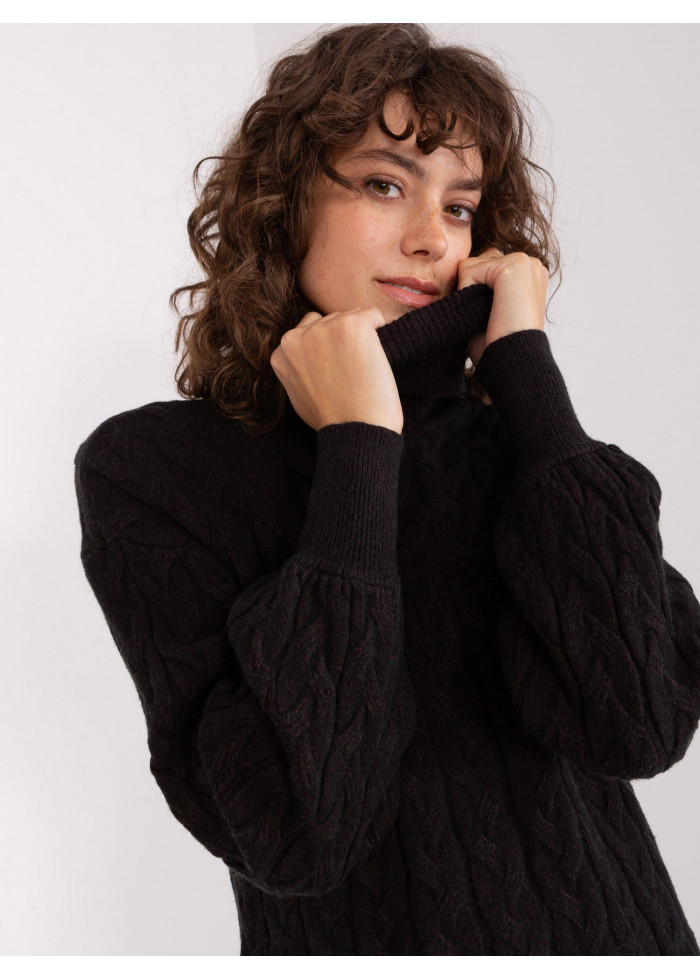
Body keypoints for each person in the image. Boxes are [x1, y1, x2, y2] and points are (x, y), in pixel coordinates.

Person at [74, 23, 700, 955]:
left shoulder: (526, 449)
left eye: (460, 205)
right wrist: (360, 447)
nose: (429, 238)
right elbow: (300, 830)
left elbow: (641, 726)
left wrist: (528, 375)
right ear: (284, 201)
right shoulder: (154, 471)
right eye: (384, 184)